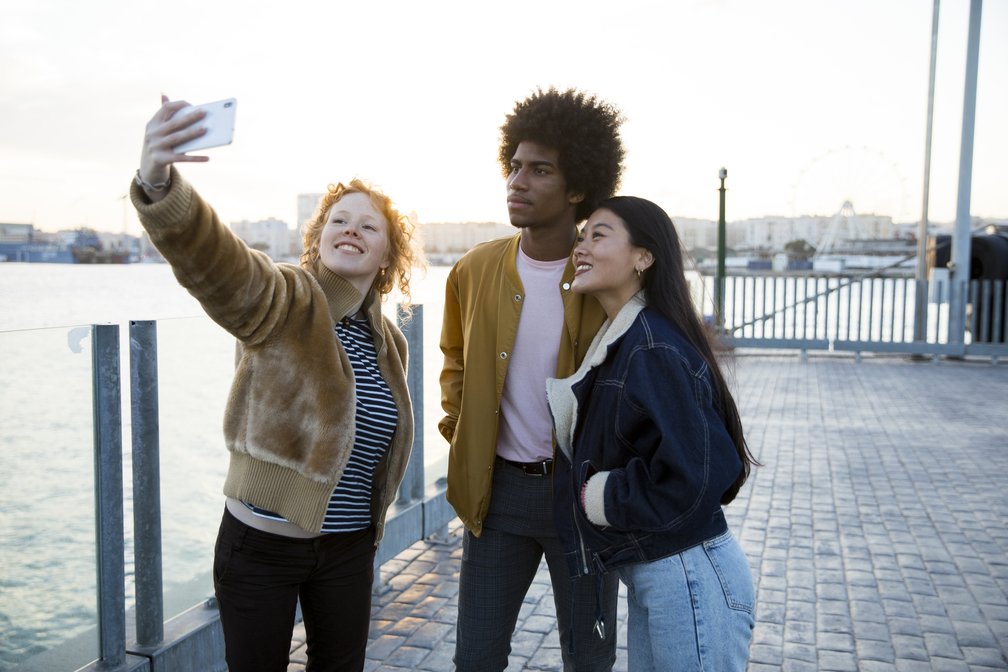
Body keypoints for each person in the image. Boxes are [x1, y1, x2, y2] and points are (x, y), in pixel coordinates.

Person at [130, 96, 420, 672]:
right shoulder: (286, 301)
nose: (352, 229)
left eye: (369, 226)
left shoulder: (389, 341)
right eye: (339, 220)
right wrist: (159, 183)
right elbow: (219, 265)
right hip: (262, 548)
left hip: (348, 548)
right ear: (318, 238)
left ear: (388, 255)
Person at [439, 87, 624, 671]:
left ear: (577, 189)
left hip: (582, 498)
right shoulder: (473, 269)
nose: (517, 182)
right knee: (476, 658)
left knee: (588, 659)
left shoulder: (607, 275)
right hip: (497, 497)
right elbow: (454, 363)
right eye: (515, 166)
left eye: (540, 170)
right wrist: (461, 433)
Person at [546, 196, 758, 671]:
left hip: (688, 576)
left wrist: (601, 496)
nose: (581, 247)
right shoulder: (629, 337)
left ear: (643, 257)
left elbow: (702, 474)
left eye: (598, 235)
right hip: (666, 575)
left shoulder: (651, 345)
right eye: (582, 236)